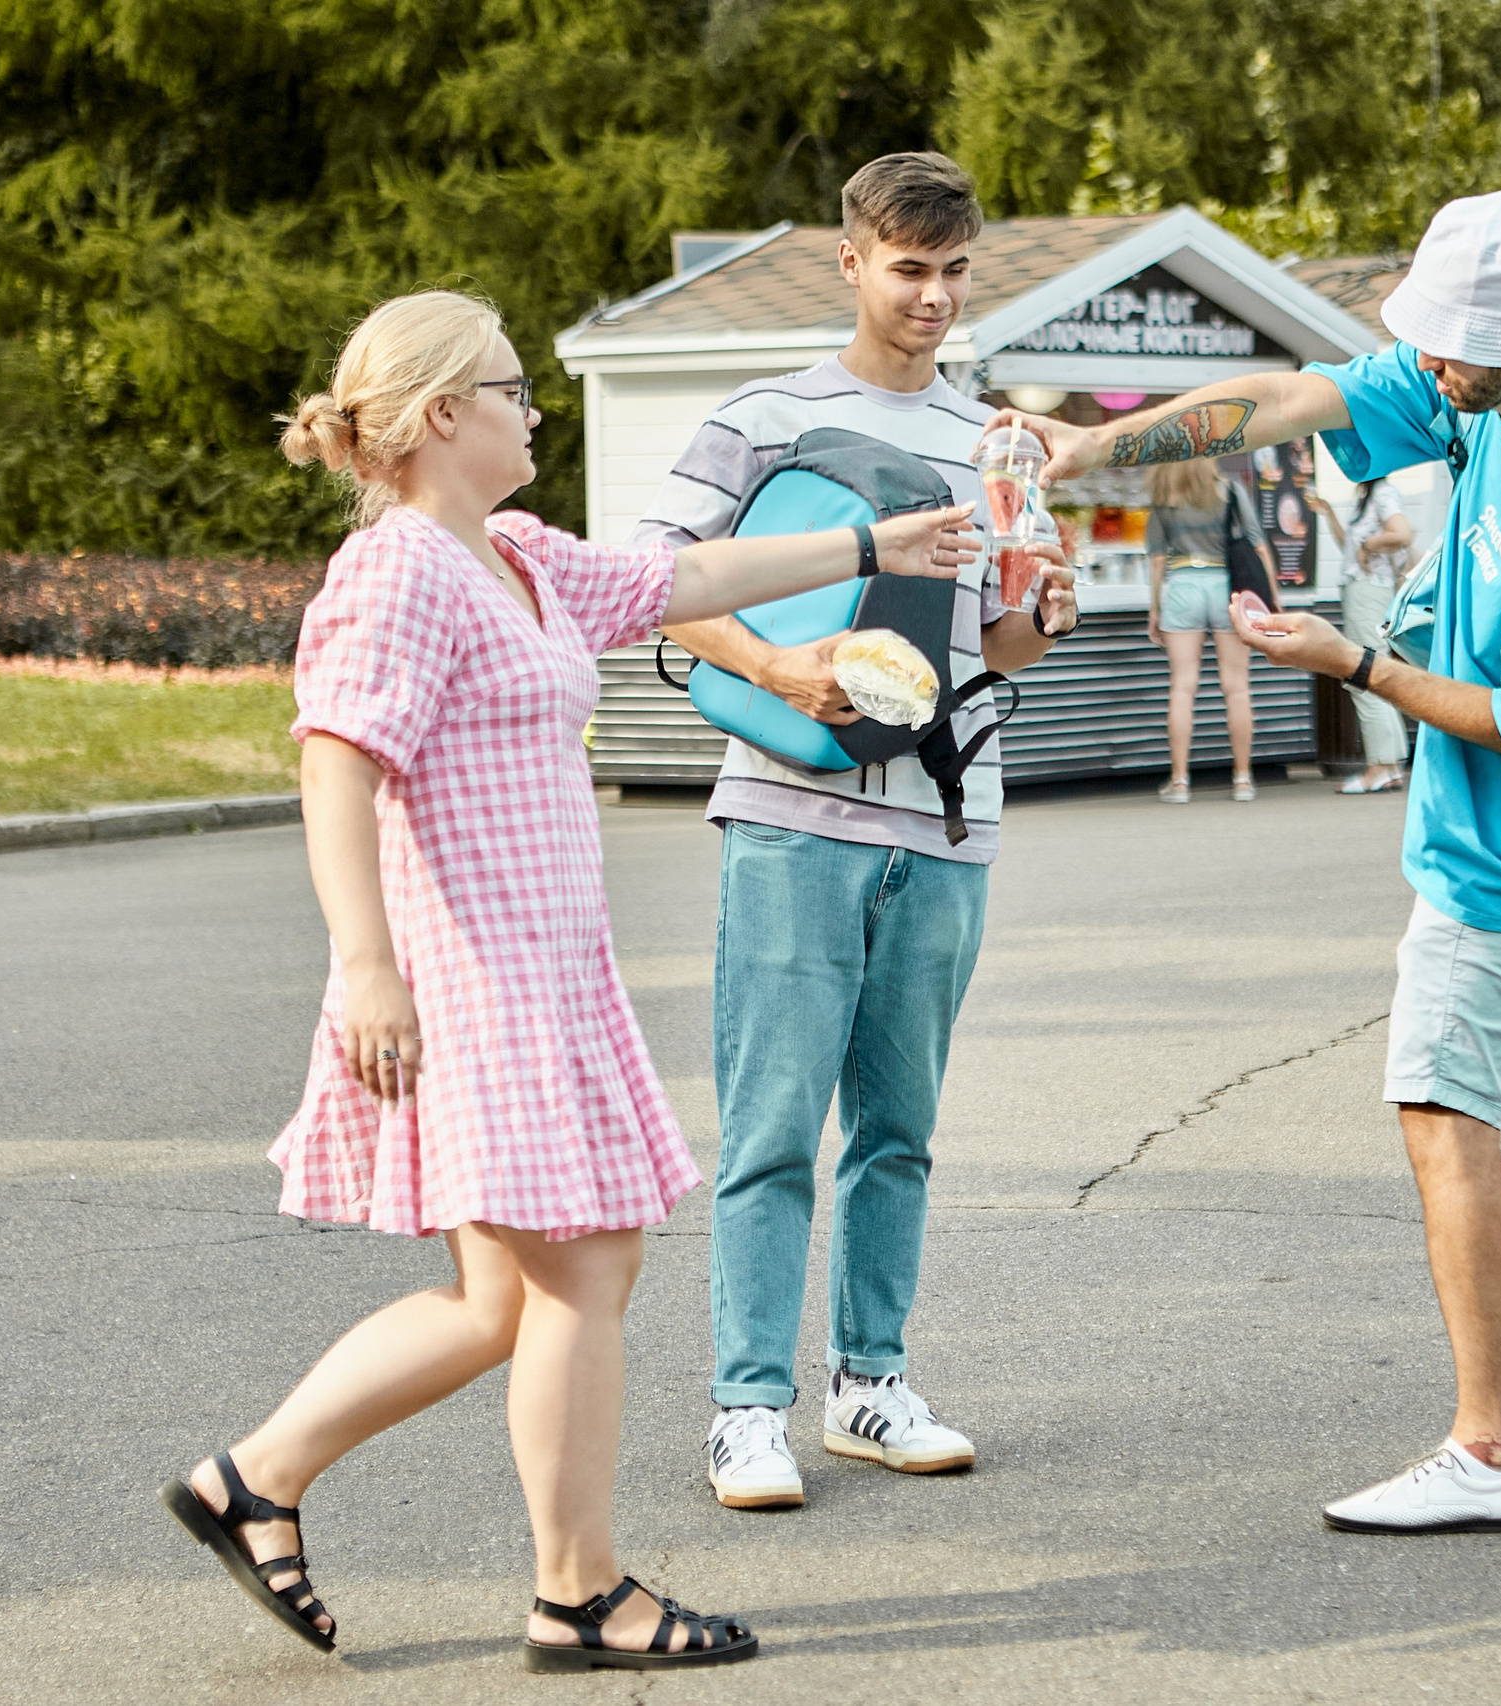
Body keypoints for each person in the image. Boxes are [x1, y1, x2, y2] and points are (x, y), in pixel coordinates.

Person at [992, 191, 1501, 1536]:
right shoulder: (1484, 395)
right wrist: (1090, 446)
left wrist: (1358, 666)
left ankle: (1489, 1451)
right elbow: (1289, 401)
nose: (1427, 370)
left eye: (1451, 351)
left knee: (1446, 1116)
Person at [157, 289, 977, 1670]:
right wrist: (365, 968)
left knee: (506, 1299)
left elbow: (685, 582)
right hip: (473, 978)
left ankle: (257, 1479)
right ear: (439, 416)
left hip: (547, 971)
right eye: (512, 386)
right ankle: (580, 1589)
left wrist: (876, 541)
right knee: (589, 1266)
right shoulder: (401, 570)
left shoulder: (517, 554)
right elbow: (335, 760)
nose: (531, 408)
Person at [634, 153, 1079, 1512]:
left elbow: (998, 641)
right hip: (790, 813)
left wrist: (1038, 619)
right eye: (908, 268)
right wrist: (780, 672)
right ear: (850, 261)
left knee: (902, 1127)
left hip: (948, 819)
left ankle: (871, 1385)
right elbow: (653, 585)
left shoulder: (995, 444)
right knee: (773, 1125)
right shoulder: (763, 417)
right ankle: (747, 1409)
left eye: (953, 272)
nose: (933, 297)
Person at [1144, 458, 1278, 803]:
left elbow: (1158, 558)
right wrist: (1272, 598)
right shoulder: (1230, 490)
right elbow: (1257, 544)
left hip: (1183, 585)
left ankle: (1179, 781)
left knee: (1183, 687)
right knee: (1236, 688)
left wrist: (1155, 608)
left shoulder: (1164, 496)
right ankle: (1243, 779)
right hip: (1226, 587)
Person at [1337, 475, 1415, 794]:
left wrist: (1369, 544)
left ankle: (1380, 766)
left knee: (1363, 674)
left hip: (1367, 591)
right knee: (1374, 671)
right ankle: (1390, 766)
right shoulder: (1373, 495)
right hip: (1374, 590)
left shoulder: (1381, 492)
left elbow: (1402, 533)